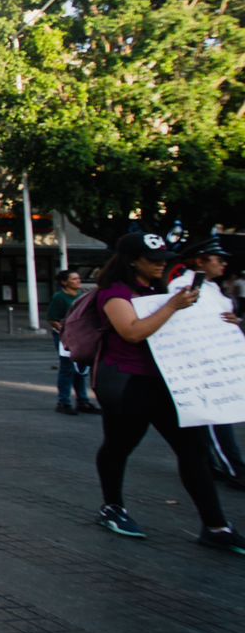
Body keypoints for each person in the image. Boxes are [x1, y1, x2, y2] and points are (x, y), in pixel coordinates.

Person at [90, 232, 245, 555]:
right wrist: (173, 306)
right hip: (127, 384)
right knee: (119, 446)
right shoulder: (115, 293)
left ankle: (216, 525)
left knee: (194, 451)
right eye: (154, 260)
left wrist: (225, 322)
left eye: (164, 259)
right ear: (133, 260)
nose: (161, 265)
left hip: (167, 382)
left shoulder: (160, 289)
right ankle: (112, 507)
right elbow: (132, 332)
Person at [178, 237, 245, 490]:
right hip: (200, 366)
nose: (224, 264)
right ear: (200, 261)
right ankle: (234, 469)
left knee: (211, 420)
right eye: (219, 259)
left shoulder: (212, 288)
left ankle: (210, 464)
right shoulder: (183, 287)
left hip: (218, 363)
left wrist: (234, 324)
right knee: (215, 420)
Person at [47, 269, 99, 415]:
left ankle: (82, 400)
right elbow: (52, 318)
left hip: (80, 335)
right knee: (67, 368)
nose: (78, 281)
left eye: (78, 278)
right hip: (65, 336)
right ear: (64, 282)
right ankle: (63, 401)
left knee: (80, 369)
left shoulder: (82, 296)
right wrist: (65, 331)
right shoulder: (60, 297)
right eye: (74, 279)